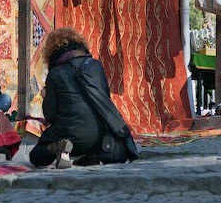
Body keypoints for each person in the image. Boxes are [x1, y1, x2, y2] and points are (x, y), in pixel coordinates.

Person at [30, 27, 139, 169]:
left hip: (70, 134)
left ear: (52, 51)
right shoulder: (96, 66)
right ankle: (91, 155)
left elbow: (50, 115)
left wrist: (46, 97)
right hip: (100, 136)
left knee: (36, 155)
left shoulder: (56, 73)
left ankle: (57, 147)